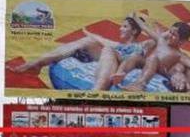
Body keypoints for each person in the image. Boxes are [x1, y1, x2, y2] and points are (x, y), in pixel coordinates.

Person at [8, 16, 145, 91]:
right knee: (88, 41)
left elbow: (157, 41)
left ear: (134, 31)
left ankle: (97, 91)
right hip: (109, 57)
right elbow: (102, 40)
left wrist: (142, 23)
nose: (120, 29)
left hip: (119, 64)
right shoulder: (118, 45)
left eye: (125, 26)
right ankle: (37, 63)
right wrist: (88, 34)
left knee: (108, 49)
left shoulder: (140, 47)